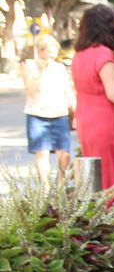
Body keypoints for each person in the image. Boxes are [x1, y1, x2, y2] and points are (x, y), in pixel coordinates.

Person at [70, 3, 114, 189]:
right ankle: (112, 215)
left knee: (95, 178)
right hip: (107, 122)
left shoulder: (79, 55)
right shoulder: (103, 54)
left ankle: (99, 215)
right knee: (112, 176)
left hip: (86, 120)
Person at [21, 35, 74, 178]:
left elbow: (68, 90)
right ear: (40, 52)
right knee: (42, 152)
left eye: (53, 55)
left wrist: (75, 112)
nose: (51, 59)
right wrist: (41, 71)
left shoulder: (60, 68)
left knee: (64, 153)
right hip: (37, 114)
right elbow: (31, 90)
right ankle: (45, 190)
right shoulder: (30, 66)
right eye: (48, 55)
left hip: (59, 114)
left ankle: (60, 181)